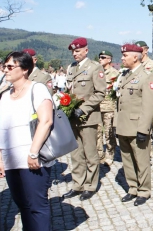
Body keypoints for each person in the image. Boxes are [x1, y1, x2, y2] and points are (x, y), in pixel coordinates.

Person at [0, 51, 54, 230]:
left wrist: (33, 152)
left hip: (32, 159)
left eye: (9, 67)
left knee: (37, 206)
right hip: (10, 160)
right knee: (22, 206)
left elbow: (46, 121)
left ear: (24, 69)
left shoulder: (37, 89)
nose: (5, 70)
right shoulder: (4, 96)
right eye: (4, 66)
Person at [62, 37, 106, 201]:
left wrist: (83, 108)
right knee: (75, 153)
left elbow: (100, 93)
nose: (75, 54)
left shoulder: (95, 67)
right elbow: (68, 91)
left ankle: (90, 185)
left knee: (90, 153)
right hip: (73, 117)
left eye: (78, 50)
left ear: (86, 50)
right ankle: (77, 184)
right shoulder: (71, 68)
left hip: (88, 118)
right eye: (73, 51)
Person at [115, 43, 153, 206]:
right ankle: (133, 187)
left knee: (141, 160)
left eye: (125, 55)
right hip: (124, 125)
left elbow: (149, 105)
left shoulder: (147, 76)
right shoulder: (125, 75)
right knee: (127, 159)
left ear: (135, 56)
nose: (122, 58)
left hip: (137, 126)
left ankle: (144, 190)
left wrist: (143, 129)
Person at [96, 50, 119, 166]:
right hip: (97, 106)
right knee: (97, 132)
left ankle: (110, 154)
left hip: (109, 107)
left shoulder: (114, 73)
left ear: (109, 59)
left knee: (109, 133)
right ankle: (99, 155)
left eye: (103, 57)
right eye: (99, 57)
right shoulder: (96, 72)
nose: (100, 59)